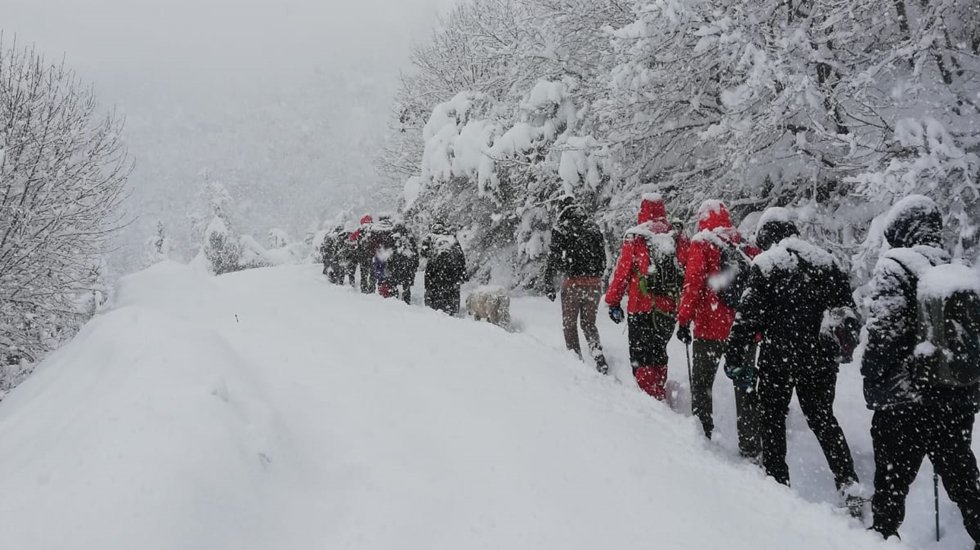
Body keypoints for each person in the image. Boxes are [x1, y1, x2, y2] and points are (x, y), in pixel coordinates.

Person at [861, 195, 980, 544]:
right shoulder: (953, 267)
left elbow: (884, 335)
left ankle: (881, 538)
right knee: (963, 477)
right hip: (955, 396)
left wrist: (871, 374)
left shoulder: (895, 266)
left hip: (905, 399)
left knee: (892, 484)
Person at [726, 208, 861, 505]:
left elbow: (747, 318)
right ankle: (849, 483)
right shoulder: (826, 262)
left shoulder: (767, 264)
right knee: (824, 420)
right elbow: (846, 312)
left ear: (766, 236)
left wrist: (734, 356)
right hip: (821, 360)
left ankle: (778, 484)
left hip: (779, 358)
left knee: (773, 419)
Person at [676, 200, 759, 457]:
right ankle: (750, 445)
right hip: (743, 331)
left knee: (702, 384)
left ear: (702, 218)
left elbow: (693, 286)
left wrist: (683, 320)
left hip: (710, 329)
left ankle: (703, 435)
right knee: (745, 388)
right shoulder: (745, 245)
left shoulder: (702, 243)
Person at [605, 194, 689, 400]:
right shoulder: (677, 236)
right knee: (659, 352)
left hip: (641, 307)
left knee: (641, 356)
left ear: (642, 211)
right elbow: (688, 272)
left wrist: (613, 301)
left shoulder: (636, 237)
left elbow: (622, 274)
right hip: (667, 309)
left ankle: (648, 398)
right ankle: (658, 389)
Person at [544, 196, 608, 373]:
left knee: (569, 324)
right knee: (589, 323)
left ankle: (576, 359)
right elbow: (603, 259)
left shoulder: (561, 229)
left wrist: (549, 283)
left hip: (572, 283)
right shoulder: (593, 227)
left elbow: (554, 259)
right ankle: (597, 352)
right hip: (594, 284)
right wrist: (595, 274)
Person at [421, 222, 467, 315]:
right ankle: (451, 309)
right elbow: (460, 256)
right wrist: (462, 273)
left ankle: (433, 309)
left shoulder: (430, 237)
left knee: (433, 290)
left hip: (434, 271)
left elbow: (423, 252)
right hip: (451, 271)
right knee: (451, 291)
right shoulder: (452, 238)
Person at [388, 221, 420, 304]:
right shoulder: (409, 238)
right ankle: (406, 301)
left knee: (393, 284)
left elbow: (388, 253)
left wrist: (388, 265)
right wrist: (415, 266)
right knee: (406, 286)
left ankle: (393, 300)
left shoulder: (392, 238)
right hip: (407, 267)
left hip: (395, 266)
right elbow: (415, 253)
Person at [350, 214, 375, 294]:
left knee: (364, 274)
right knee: (372, 274)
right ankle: (372, 289)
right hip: (373, 255)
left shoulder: (360, 230)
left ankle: (364, 289)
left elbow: (351, 238)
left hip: (362, 255)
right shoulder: (374, 229)